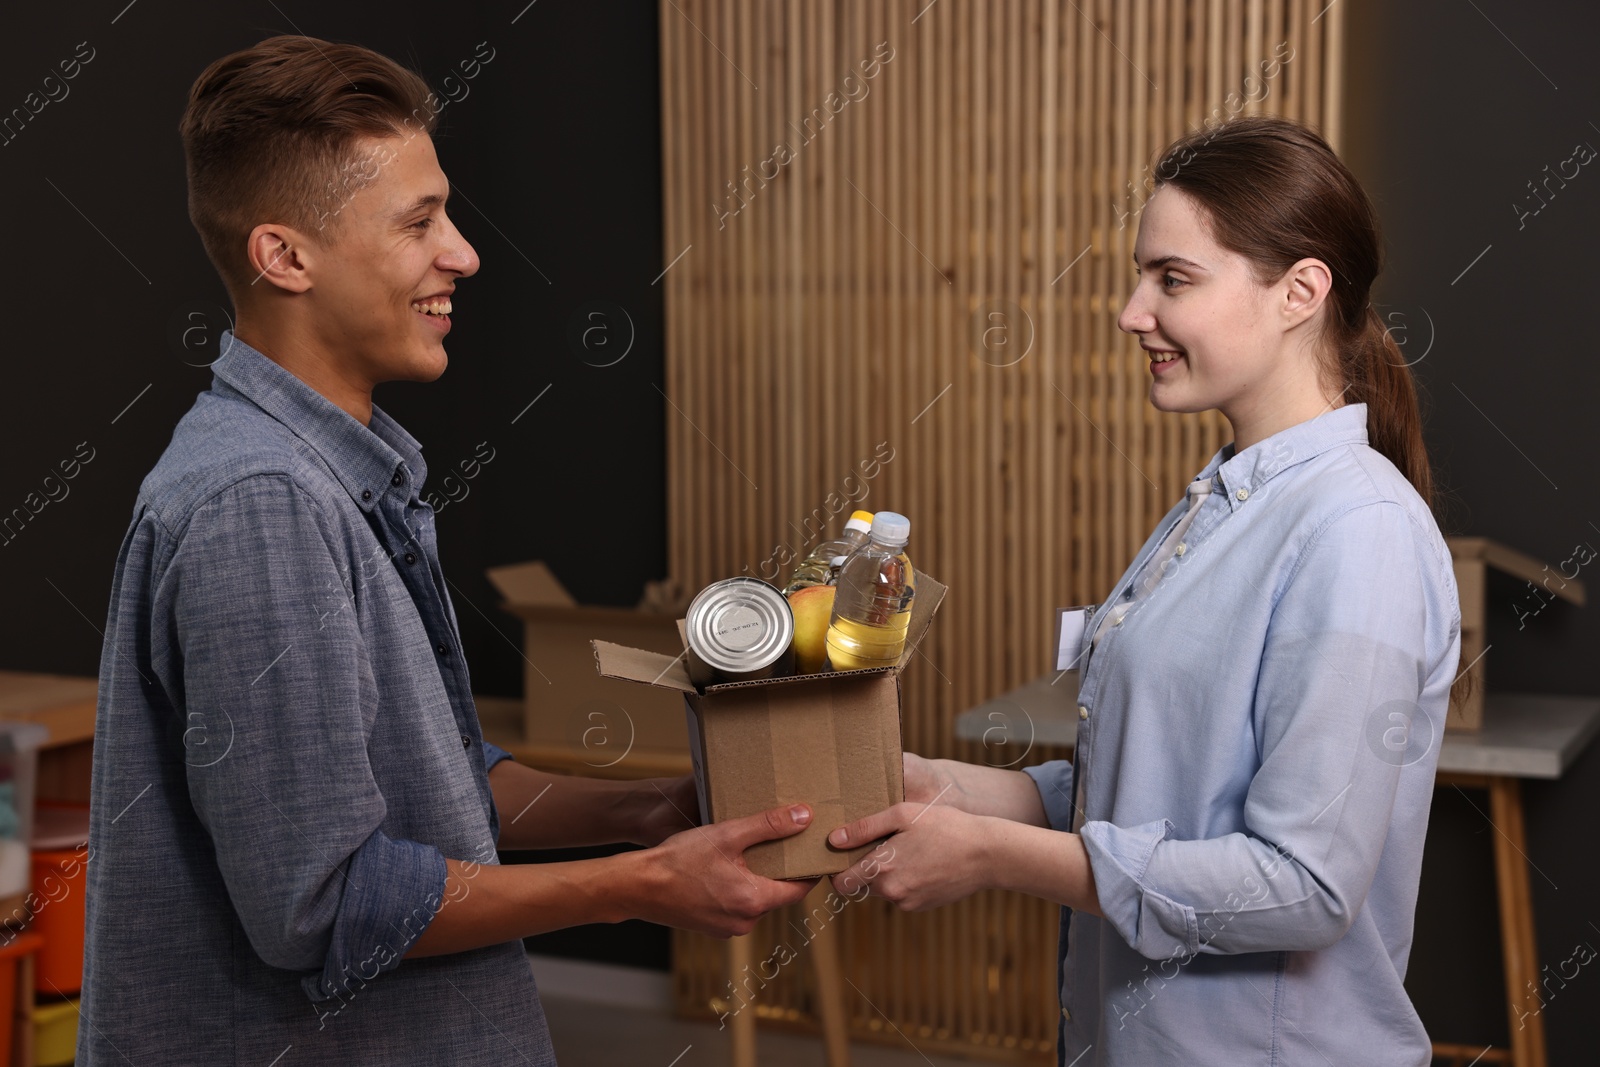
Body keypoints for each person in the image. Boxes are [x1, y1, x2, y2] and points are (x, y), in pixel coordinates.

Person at [79, 35, 813, 1065]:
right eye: (418, 223)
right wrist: (635, 887)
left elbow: (434, 785)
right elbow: (322, 905)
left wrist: (645, 809)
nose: (463, 253)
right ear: (285, 256)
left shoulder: (340, 474)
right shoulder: (262, 504)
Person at [828, 116, 1465, 1066]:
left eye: (1173, 279)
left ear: (1300, 291)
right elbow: (1163, 780)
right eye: (1142, 276)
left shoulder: (1356, 532)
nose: (1131, 311)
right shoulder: (1219, 501)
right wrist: (952, 791)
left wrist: (995, 858)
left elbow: (1304, 884)